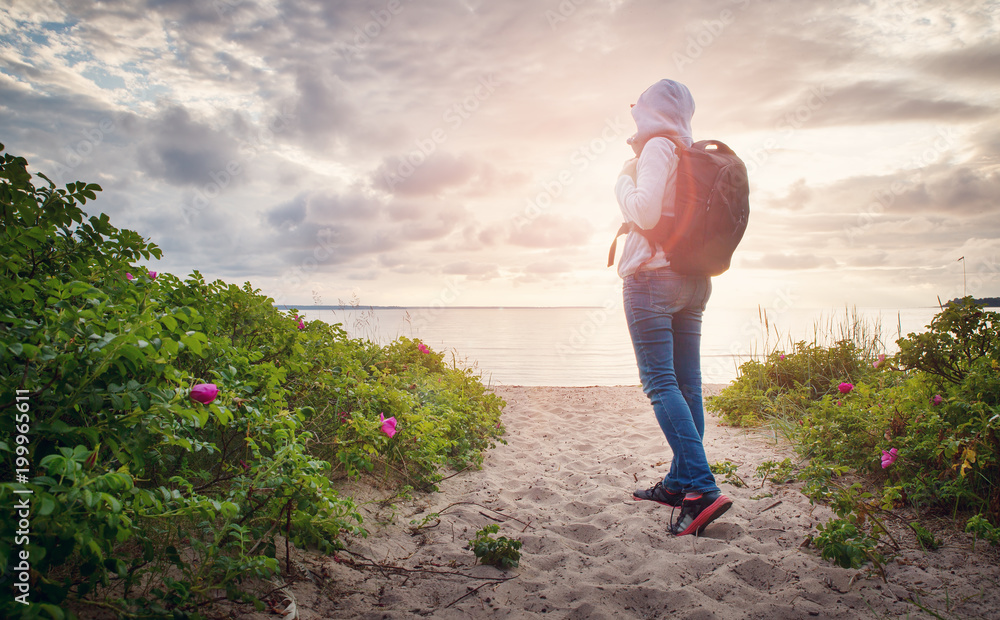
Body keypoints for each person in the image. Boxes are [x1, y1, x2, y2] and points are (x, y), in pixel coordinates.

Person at [614, 79, 732, 536]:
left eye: (637, 107)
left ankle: (700, 487)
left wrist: (621, 183)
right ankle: (681, 480)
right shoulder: (692, 154)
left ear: (650, 112)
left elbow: (643, 212)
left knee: (661, 383)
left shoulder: (657, 149)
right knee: (688, 384)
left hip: (653, 279)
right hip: (695, 280)